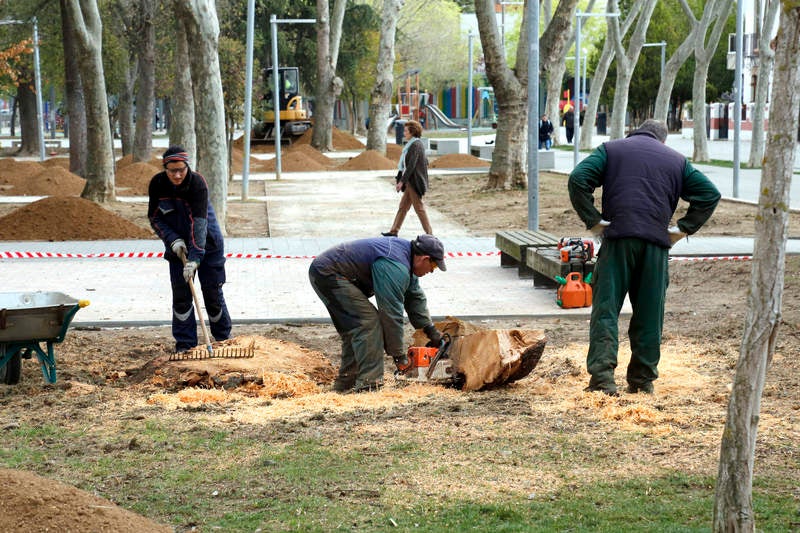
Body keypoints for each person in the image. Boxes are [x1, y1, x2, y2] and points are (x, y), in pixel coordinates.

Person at [568, 119, 720, 396]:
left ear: (632, 132)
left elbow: (578, 179)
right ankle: (641, 382)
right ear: (663, 141)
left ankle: (602, 381)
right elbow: (710, 194)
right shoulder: (677, 160)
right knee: (650, 314)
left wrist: (593, 220)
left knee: (606, 310)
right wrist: (683, 229)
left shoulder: (611, 150)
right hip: (655, 245)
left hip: (618, 239)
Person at [309, 234, 446, 393]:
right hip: (329, 273)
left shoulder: (406, 262)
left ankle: (346, 383)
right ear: (424, 259)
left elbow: (415, 298)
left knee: (355, 328)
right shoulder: (395, 266)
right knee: (368, 323)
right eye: (434, 266)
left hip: (330, 271)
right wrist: (399, 355)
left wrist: (430, 330)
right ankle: (369, 385)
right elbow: (391, 314)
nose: (432, 271)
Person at [148, 146, 232, 354]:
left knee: (212, 291)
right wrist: (172, 239)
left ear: (187, 167)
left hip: (208, 245)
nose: (177, 175)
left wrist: (195, 259)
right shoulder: (158, 184)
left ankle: (223, 340)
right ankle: (186, 345)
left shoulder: (197, 184)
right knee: (182, 294)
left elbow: (199, 224)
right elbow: (155, 217)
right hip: (178, 248)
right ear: (165, 169)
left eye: (181, 170)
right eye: (172, 171)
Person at [381, 120, 433, 237]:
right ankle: (394, 231)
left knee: (419, 208)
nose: (404, 132)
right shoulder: (410, 145)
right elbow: (405, 165)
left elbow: (411, 166)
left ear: (412, 132)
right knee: (403, 207)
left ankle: (430, 234)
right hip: (410, 182)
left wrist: (401, 182)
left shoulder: (416, 145)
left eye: (406, 130)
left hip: (414, 182)